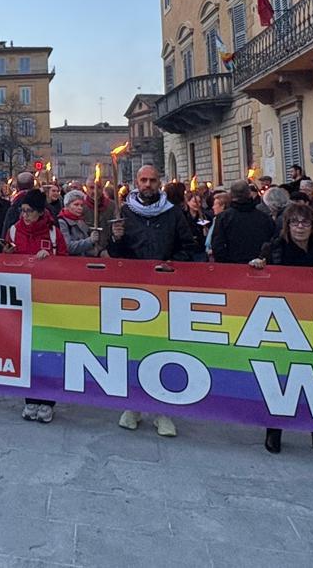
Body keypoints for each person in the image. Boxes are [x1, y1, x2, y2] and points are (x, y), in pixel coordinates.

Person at [107, 164, 200, 437]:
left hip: (165, 290)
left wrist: (171, 264)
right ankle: (133, 405)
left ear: (160, 183)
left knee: (163, 351)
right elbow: (116, 254)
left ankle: (163, 411)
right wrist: (115, 239)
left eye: (153, 180)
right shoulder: (125, 212)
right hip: (134, 292)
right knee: (133, 349)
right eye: (143, 180)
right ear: (136, 182)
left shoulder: (172, 213)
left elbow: (188, 246)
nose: (148, 184)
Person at [249, 201, 313, 461]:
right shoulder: (275, 249)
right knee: (281, 375)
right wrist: (259, 266)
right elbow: (260, 278)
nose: (300, 227)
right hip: (285, 320)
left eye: (305, 222)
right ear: (286, 226)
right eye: (294, 222)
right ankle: (274, 429)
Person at [5, 188, 67, 423]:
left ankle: (48, 400)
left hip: (47, 299)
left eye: (29, 211)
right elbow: (5, 262)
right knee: (26, 349)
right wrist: (7, 254)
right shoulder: (13, 230)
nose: (24, 216)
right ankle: (30, 399)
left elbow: (65, 260)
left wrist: (50, 259)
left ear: (41, 212)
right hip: (23, 298)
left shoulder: (53, 233)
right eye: (22, 211)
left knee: (47, 349)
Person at [210, 180, 276, 264]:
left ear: (231, 195)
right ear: (249, 194)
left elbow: (217, 246)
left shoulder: (223, 218)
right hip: (259, 267)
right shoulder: (265, 218)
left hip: (233, 268)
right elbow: (272, 244)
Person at [55, 190, 101, 256]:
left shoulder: (81, 221)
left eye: (81, 205)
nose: (80, 208)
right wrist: (90, 241)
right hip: (70, 262)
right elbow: (67, 246)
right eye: (76, 205)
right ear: (67, 206)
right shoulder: (62, 222)